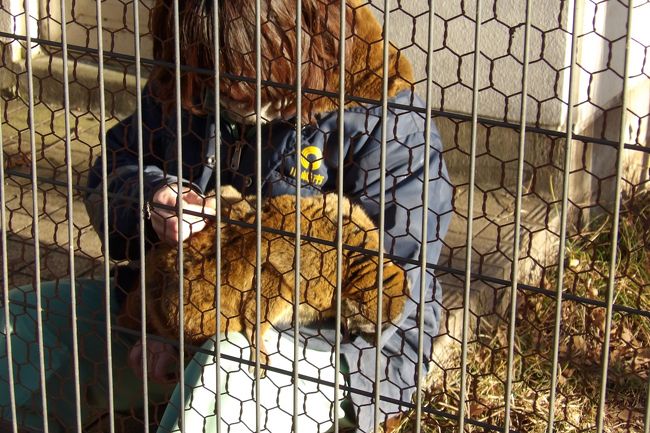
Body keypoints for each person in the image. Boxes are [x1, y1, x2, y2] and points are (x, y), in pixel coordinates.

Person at [1, 0, 452, 431]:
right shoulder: (188, 74)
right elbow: (113, 170)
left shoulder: (387, 125)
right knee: (21, 324)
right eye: (214, 82)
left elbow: (390, 305)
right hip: (172, 311)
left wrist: (200, 335)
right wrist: (154, 196)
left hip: (330, 356)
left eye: (245, 82)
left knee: (220, 375)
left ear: (299, 39)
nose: (228, 96)